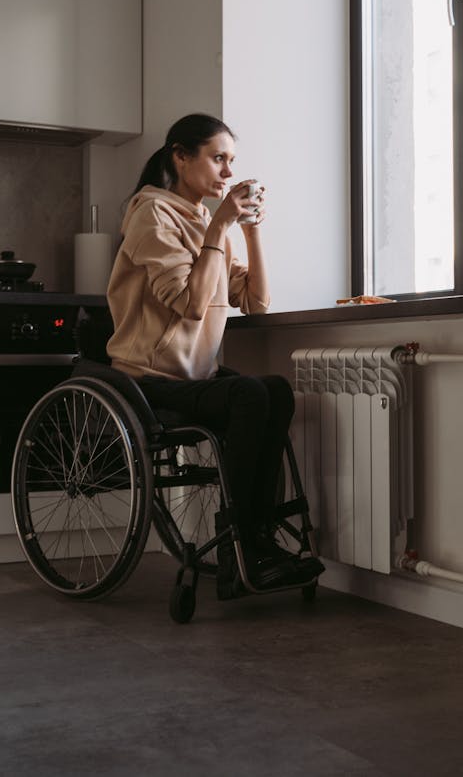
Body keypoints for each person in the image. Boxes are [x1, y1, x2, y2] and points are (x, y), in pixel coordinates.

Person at [104, 113, 323, 591]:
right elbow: (190, 303)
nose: (228, 172)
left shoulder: (205, 220)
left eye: (232, 161)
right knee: (248, 394)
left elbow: (258, 301)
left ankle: (255, 539)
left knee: (276, 390)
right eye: (218, 158)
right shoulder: (151, 215)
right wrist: (221, 222)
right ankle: (239, 544)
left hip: (195, 376)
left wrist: (249, 231)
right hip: (148, 380)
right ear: (181, 157)